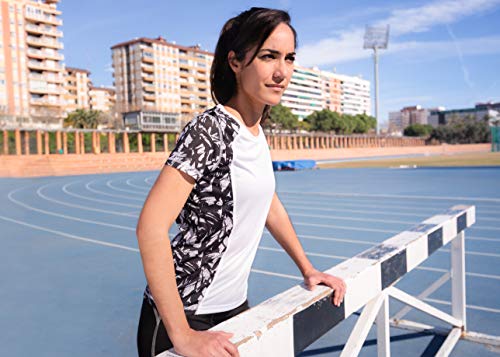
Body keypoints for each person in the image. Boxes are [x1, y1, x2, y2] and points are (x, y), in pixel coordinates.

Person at [136, 7, 346, 357]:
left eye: (289, 58)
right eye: (268, 57)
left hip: (234, 309)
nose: (282, 72)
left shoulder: (257, 131)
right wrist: (183, 334)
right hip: (185, 315)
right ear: (235, 62)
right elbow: (150, 228)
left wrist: (308, 269)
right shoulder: (209, 130)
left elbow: (269, 204)